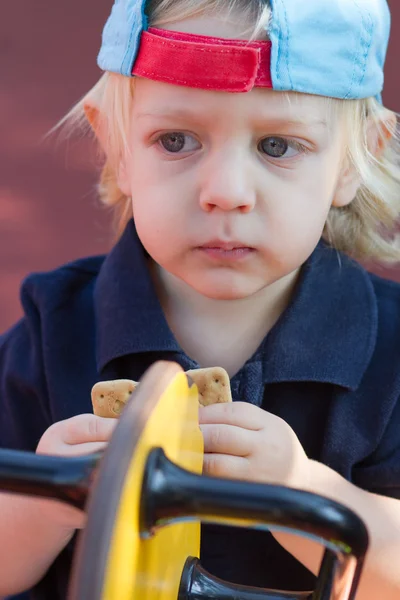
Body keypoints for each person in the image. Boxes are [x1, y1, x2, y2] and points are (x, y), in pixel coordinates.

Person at [1, 0, 400, 597]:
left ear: (353, 159)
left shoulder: (390, 355)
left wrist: (306, 491)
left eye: (277, 146)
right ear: (116, 146)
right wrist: (48, 499)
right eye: (177, 139)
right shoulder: (53, 329)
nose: (227, 192)